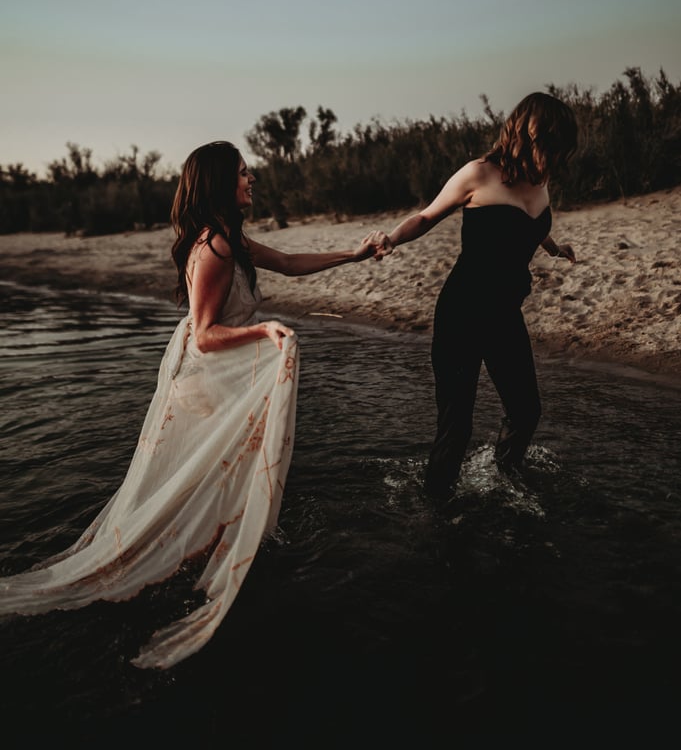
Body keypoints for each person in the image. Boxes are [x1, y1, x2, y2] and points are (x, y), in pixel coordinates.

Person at [0, 140, 383, 669]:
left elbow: (290, 261)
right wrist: (263, 329)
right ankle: (185, 558)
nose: (253, 180)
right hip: (205, 383)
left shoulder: (235, 239)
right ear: (221, 182)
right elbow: (203, 335)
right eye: (244, 174)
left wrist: (354, 254)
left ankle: (202, 545)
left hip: (221, 379)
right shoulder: (215, 248)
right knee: (200, 481)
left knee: (211, 479)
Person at [372, 92, 578, 501]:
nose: (553, 158)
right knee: (457, 426)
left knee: (526, 411)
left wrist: (554, 248)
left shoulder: (541, 181)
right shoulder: (478, 174)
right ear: (525, 134)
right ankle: (437, 515)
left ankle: (504, 475)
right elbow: (427, 216)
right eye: (548, 146)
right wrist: (391, 239)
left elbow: (529, 223)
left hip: (504, 314)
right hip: (462, 313)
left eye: (558, 150)